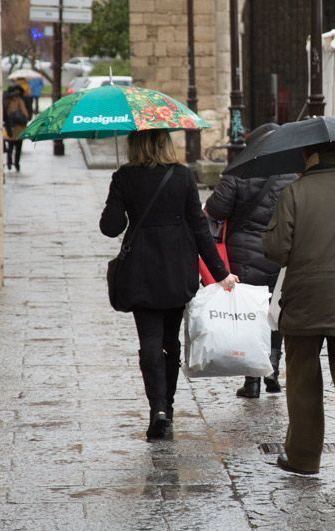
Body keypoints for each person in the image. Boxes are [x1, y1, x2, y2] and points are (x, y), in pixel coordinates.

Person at [100, 129, 238, 440]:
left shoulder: (125, 176)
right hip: (176, 269)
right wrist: (220, 273)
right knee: (170, 342)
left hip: (141, 271)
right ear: (165, 143)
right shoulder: (183, 176)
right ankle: (168, 408)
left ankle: (157, 409)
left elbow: (110, 228)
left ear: (134, 144)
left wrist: (121, 191)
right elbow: (200, 228)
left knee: (149, 342)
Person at [263, 141, 335, 487]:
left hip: (304, 301)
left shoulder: (295, 192)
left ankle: (303, 458)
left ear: (306, 156)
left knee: (302, 382)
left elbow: (276, 249)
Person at [205, 123, 296, 398]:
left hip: (243, 254)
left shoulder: (239, 171)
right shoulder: (292, 174)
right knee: (274, 312)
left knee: (251, 315)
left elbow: (216, 208)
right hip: (280, 252)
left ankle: (252, 381)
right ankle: (273, 369)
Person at [3, 83, 30, 172]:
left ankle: (9, 162)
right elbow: (25, 114)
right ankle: (17, 164)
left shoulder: (6, 101)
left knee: (10, 146)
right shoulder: (20, 101)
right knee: (18, 147)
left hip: (9, 127)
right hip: (19, 128)